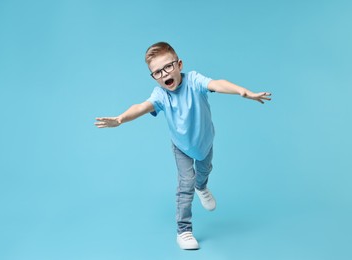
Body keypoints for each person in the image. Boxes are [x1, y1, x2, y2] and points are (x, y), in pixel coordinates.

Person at [94, 42, 271, 250]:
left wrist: (242, 91)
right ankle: (184, 230)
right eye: (157, 72)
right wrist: (121, 118)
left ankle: (202, 186)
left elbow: (217, 84)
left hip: (205, 141)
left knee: (204, 171)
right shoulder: (161, 95)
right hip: (181, 147)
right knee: (186, 183)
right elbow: (141, 106)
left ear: (179, 64)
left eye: (167, 67)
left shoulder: (194, 80)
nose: (163, 74)